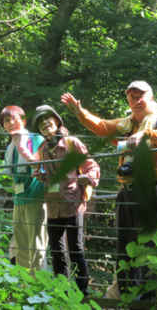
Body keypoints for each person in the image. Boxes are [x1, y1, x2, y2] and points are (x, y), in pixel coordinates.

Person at [61, 81, 157, 296]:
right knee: (125, 242)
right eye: (132, 96)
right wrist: (80, 112)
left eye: (140, 95)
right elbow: (102, 126)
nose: (136, 100)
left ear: (150, 97)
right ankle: (124, 292)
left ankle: (149, 296)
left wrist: (145, 135)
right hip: (127, 190)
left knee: (149, 243)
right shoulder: (126, 124)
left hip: (150, 188)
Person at [32, 105, 100, 294]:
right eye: (40, 122)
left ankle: (82, 292)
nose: (45, 123)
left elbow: (91, 165)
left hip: (73, 203)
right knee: (56, 251)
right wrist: (41, 175)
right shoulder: (43, 149)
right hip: (53, 205)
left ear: (57, 120)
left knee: (76, 249)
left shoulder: (71, 143)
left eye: (48, 119)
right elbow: (47, 174)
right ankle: (62, 291)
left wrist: (89, 178)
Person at [1, 105, 47, 271]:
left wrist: (22, 146)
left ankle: (38, 286)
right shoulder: (10, 147)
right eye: (7, 120)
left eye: (15, 118)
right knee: (20, 245)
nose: (11, 123)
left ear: (24, 121)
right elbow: (9, 174)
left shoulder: (36, 140)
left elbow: (40, 165)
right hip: (19, 199)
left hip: (36, 197)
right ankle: (23, 286)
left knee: (36, 243)